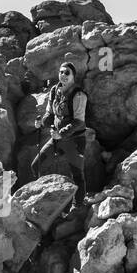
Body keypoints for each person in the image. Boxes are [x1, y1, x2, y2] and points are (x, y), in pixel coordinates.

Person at [30, 61, 89, 210]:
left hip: (74, 140)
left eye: (67, 73)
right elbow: (50, 114)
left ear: (73, 76)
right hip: (56, 138)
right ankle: (46, 200)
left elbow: (79, 122)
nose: (63, 75)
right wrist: (41, 123)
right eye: (61, 72)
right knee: (36, 166)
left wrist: (61, 134)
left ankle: (78, 207)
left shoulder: (79, 95)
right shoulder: (54, 91)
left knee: (77, 175)